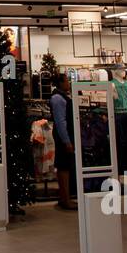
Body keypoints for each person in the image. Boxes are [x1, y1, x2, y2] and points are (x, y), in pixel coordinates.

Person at [48, 75, 78, 210]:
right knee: (64, 166)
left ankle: (64, 197)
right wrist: (67, 141)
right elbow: (60, 122)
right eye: (66, 81)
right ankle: (66, 199)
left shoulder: (61, 97)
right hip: (63, 136)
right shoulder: (58, 98)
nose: (68, 83)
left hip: (64, 135)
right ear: (60, 83)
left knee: (63, 165)